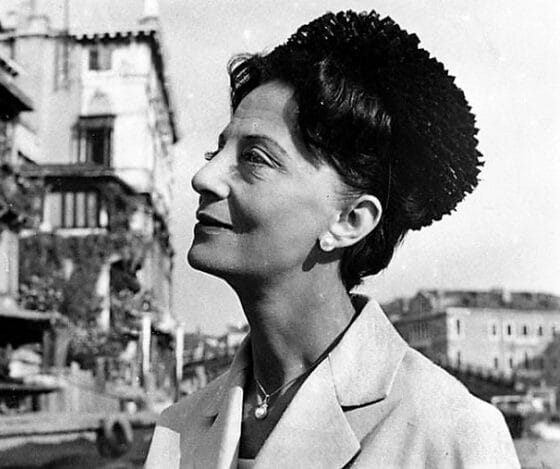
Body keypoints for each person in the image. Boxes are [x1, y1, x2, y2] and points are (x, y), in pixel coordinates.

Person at [145, 10, 519, 469]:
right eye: (216, 150)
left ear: (350, 220)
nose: (204, 177)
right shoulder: (177, 430)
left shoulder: (450, 433)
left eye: (255, 158)